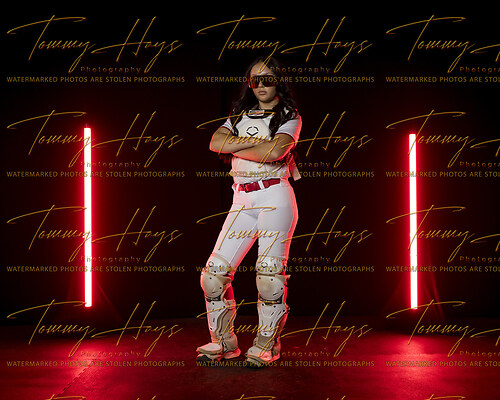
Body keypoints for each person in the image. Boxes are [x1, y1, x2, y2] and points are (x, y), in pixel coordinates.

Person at [197, 56, 302, 368]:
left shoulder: (289, 116)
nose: (262, 85)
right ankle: (224, 343)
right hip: (242, 199)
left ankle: (267, 345)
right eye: (256, 80)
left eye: (268, 79)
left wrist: (236, 145)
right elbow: (215, 142)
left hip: (275, 196)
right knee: (213, 276)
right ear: (249, 84)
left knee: (269, 276)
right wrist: (256, 145)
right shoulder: (239, 115)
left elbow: (275, 150)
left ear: (278, 81)